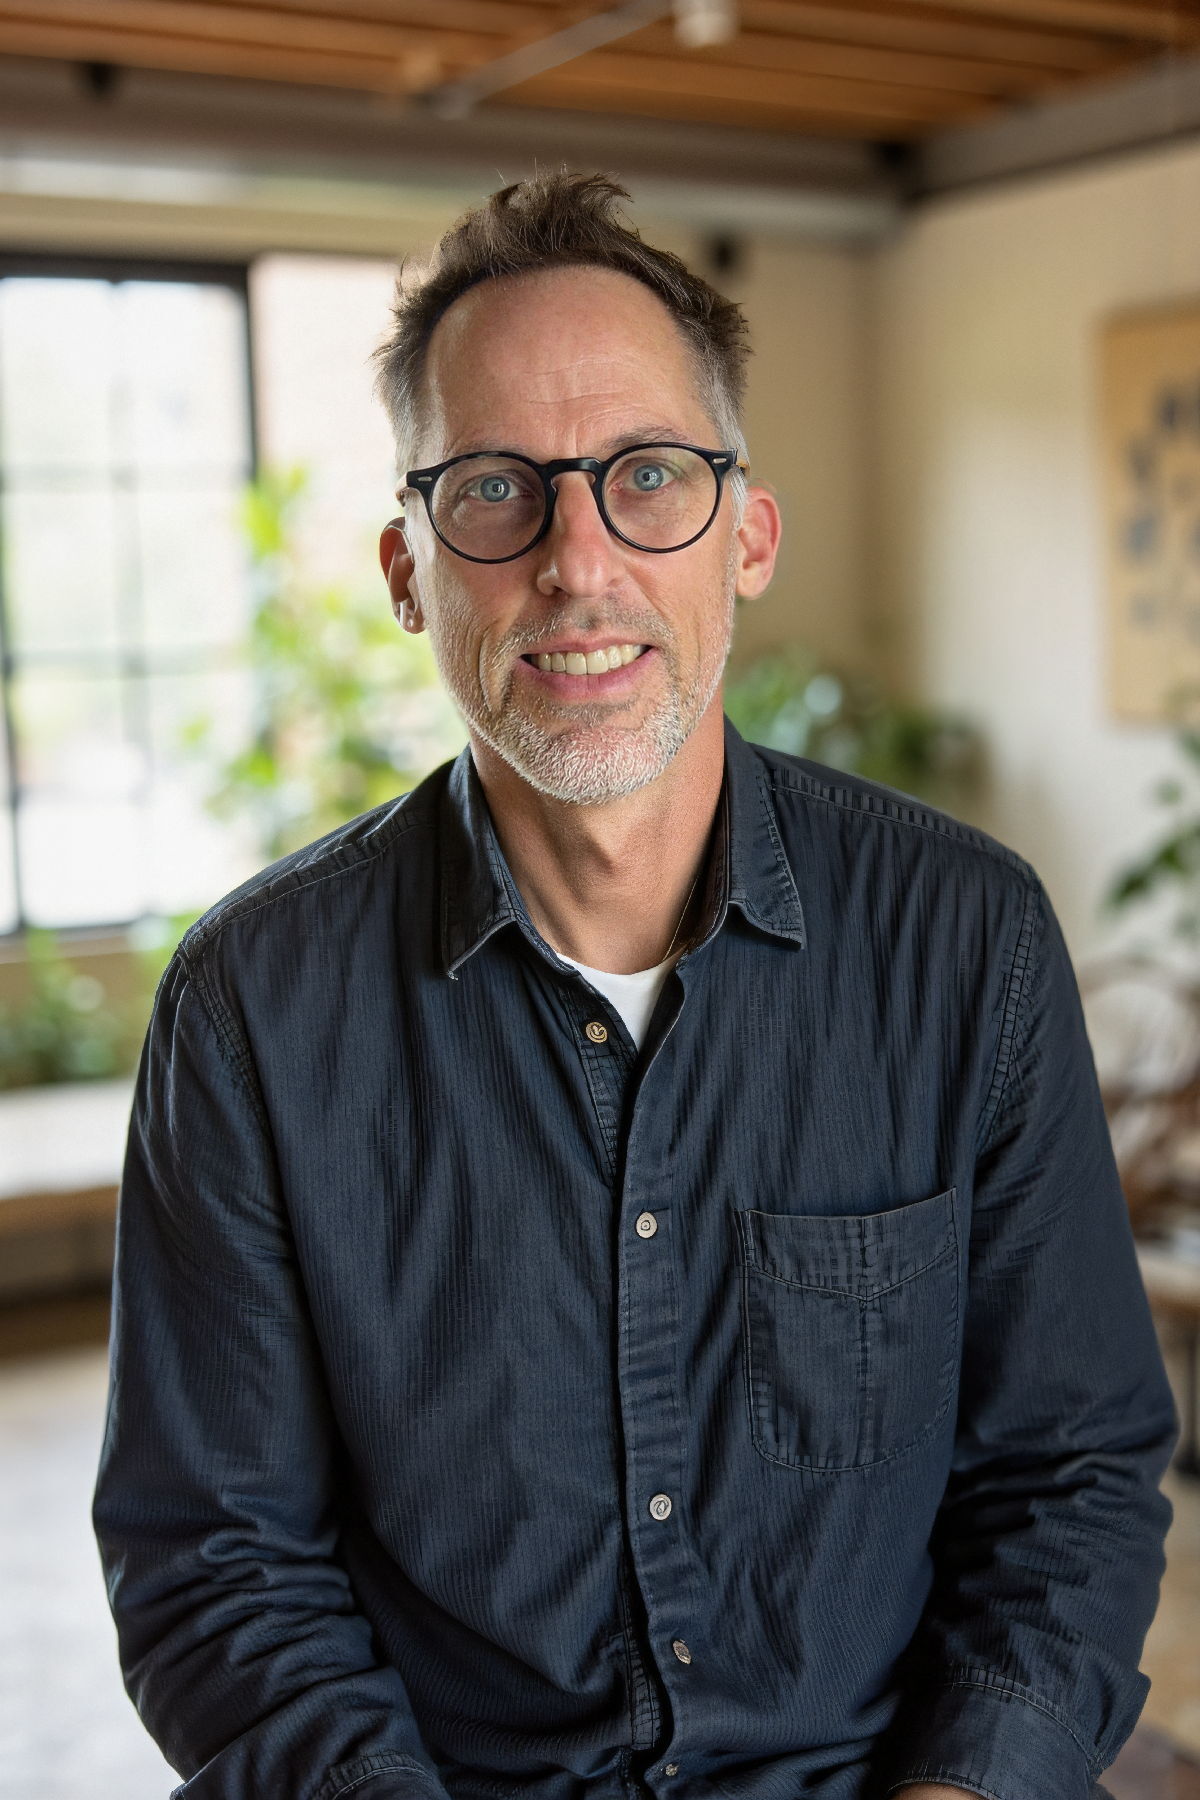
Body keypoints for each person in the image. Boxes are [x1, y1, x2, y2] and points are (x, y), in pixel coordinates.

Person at [94, 171, 1176, 1800]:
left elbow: (1072, 1475)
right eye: (496, 492)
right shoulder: (252, 1008)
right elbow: (218, 1567)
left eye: (646, 478)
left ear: (744, 536)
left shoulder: (968, 941)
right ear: (410, 570)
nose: (577, 561)